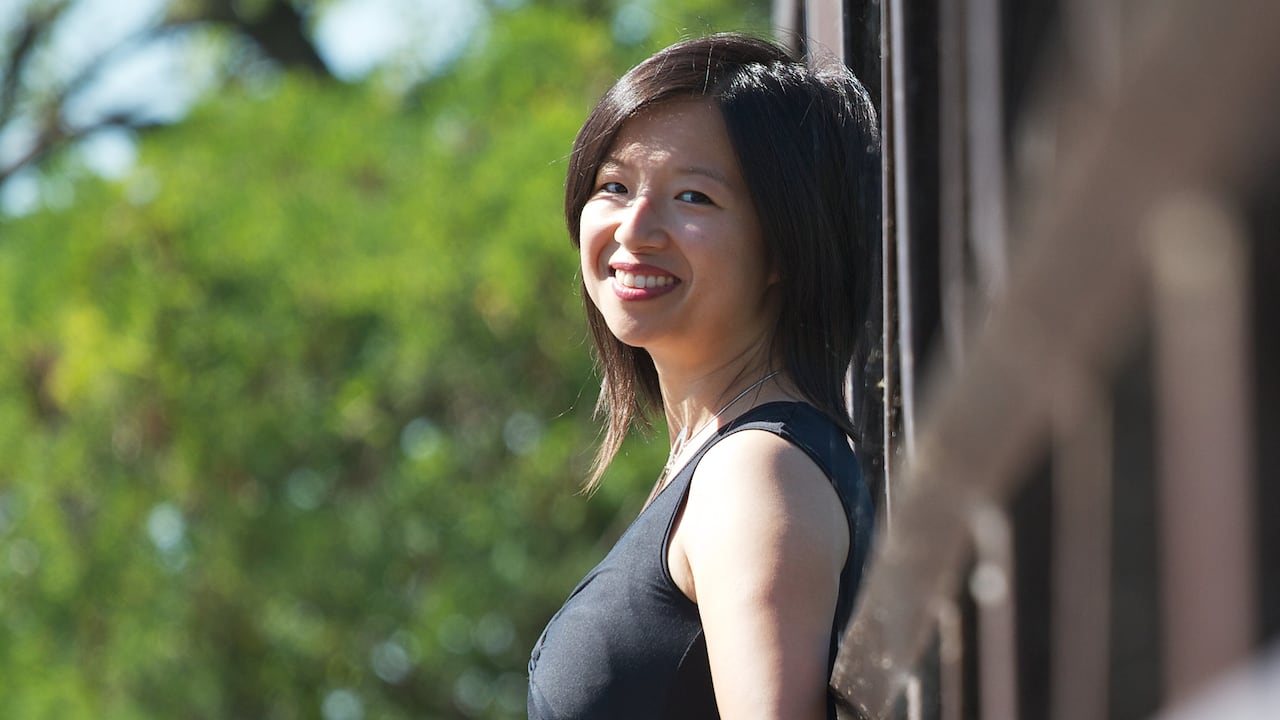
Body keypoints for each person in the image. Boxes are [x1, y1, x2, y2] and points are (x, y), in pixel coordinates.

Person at [527, 32, 880, 719]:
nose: (635, 229)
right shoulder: (722, 462)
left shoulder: (755, 473)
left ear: (784, 243)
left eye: (693, 197)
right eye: (614, 186)